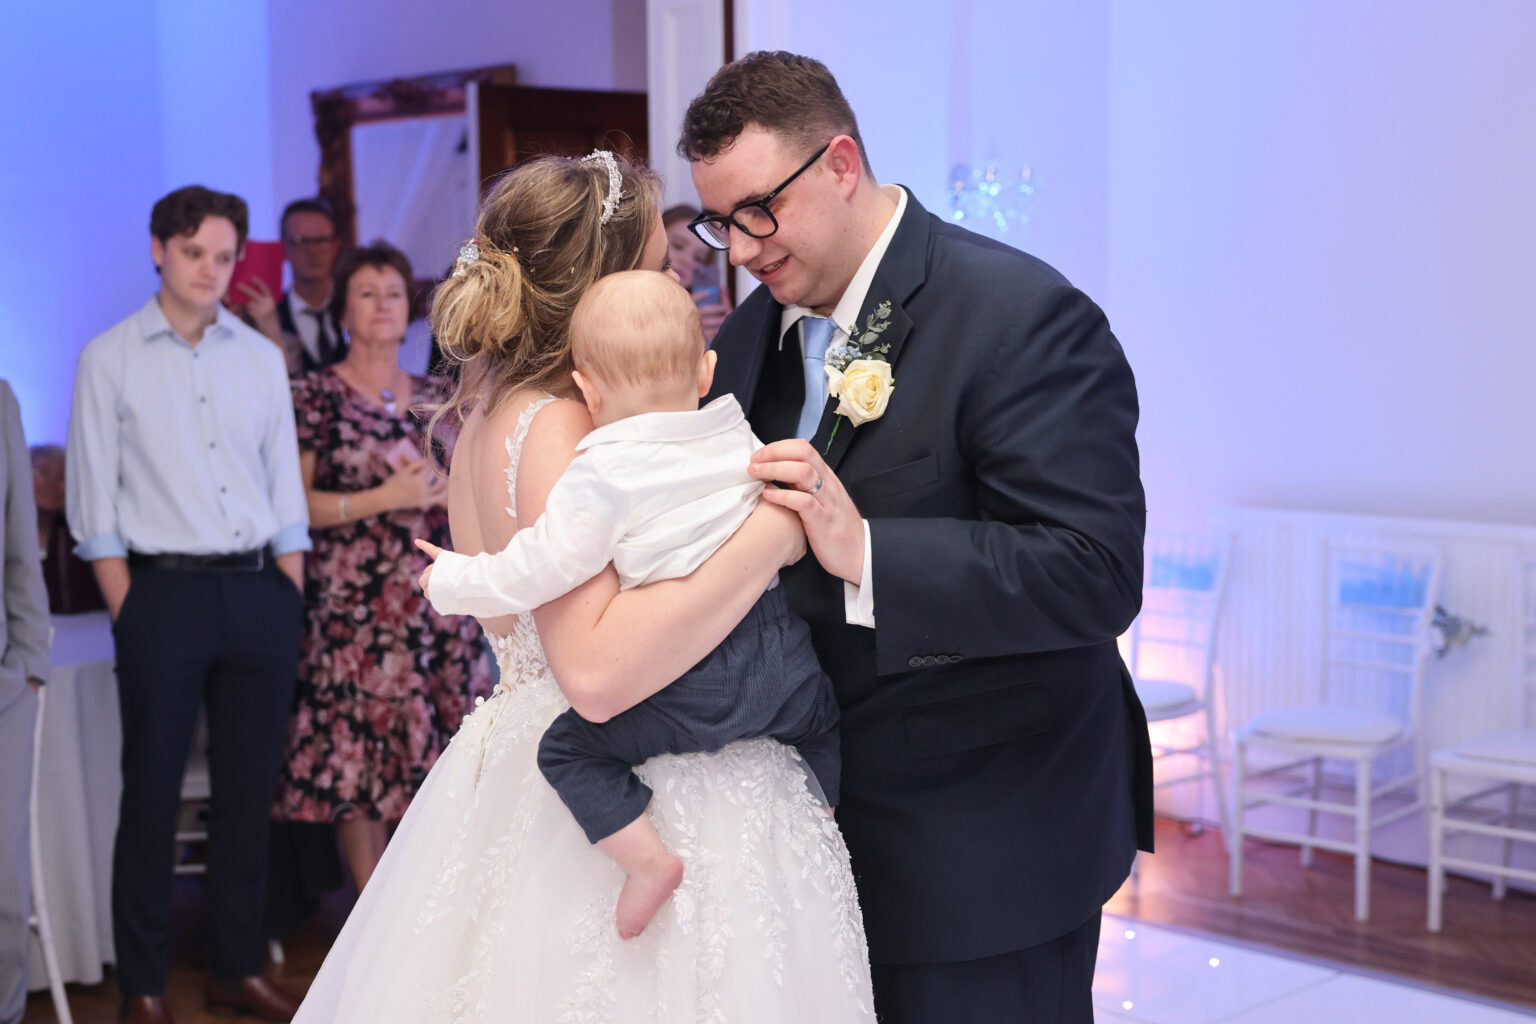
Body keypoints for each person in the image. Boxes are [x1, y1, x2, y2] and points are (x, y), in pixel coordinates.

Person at [292, 152, 874, 1023]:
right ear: (600, 291)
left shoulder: (489, 414)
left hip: (515, 764)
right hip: (636, 776)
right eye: (653, 271)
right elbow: (596, 671)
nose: (670, 294)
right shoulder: (572, 426)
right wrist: (773, 533)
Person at [681, 52, 1152, 1023]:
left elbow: (1094, 571)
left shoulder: (1022, 317)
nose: (741, 249)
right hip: (805, 843)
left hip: (987, 847)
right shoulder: (741, 340)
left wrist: (869, 552)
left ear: (840, 163)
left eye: (757, 211)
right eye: (719, 222)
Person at [417, 269, 840, 940]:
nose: (678, 265)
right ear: (706, 372)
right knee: (821, 719)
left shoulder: (597, 468)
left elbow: (545, 565)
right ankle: (825, 829)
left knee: (568, 752)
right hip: (776, 655)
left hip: (684, 684)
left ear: (589, 388)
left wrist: (455, 582)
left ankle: (645, 863)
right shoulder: (738, 433)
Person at [67, 184, 310, 1024]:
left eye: (224, 255)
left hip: (258, 592)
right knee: (152, 792)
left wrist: (290, 586)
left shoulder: (256, 357)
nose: (211, 269)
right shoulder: (109, 359)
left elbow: (285, 489)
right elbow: (91, 508)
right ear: (159, 251)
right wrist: (130, 607)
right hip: (159, 595)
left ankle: (236, 970)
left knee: (248, 794)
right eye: (194, 252)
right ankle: (141, 985)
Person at [272, 240, 491, 891]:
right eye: (366, 293)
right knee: (359, 761)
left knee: (438, 751)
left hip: (434, 602)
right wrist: (381, 498)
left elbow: (478, 487)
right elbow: (293, 504)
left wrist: (444, 487)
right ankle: (372, 912)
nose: (382, 306)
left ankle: (425, 906)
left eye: (393, 294)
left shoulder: (436, 395)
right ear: (343, 308)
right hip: (354, 610)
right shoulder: (315, 395)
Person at [0, 379, 50, 1024]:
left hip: (5, 688)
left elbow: (19, 543)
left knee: (3, 889)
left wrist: (30, 665)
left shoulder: (2, 399)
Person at [241, 198, 346, 376]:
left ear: (335, 246)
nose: (313, 250)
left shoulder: (355, 308)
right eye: (300, 241)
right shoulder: (266, 317)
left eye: (321, 240)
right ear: (283, 248)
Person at [663, 203, 733, 342]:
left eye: (698, 258)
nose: (687, 261)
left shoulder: (703, 316)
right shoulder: (622, 296)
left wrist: (729, 333)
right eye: (678, 246)